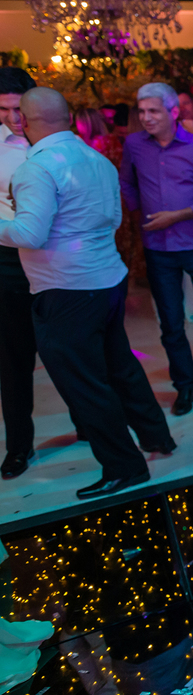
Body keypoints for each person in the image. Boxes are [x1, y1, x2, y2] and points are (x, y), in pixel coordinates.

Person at [0, 88, 176, 499]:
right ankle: (156, 436)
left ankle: (124, 467)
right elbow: (113, 218)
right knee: (120, 366)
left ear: (25, 120)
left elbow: (29, 234)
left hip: (66, 289)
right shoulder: (96, 159)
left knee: (84, 384)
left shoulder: (36, 168)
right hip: (106, 279)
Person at [120, 82, 193, 416]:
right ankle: (184, 386)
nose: (146, 117)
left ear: (173, 112)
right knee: (171, 323)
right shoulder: (134, 145)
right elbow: (126, 181)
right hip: (158, 247)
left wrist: (177, 215)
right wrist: (137, 210)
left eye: (153, 111)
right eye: (142, 111)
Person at [0, 67, 38, 479]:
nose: (13, 117)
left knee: (68, 351)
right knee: (12, 360)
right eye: (4, 109)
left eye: (19, 108)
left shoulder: (53, 141)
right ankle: (19, 447)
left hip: (54, 257)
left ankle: (88, 425)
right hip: (8, 259)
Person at [75, 107, 146, 282]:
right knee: (120, 236)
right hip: (113, 197)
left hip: (114, 197)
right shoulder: (101, 143)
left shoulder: (103, 143)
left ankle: (125, 275)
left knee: (123, 236)